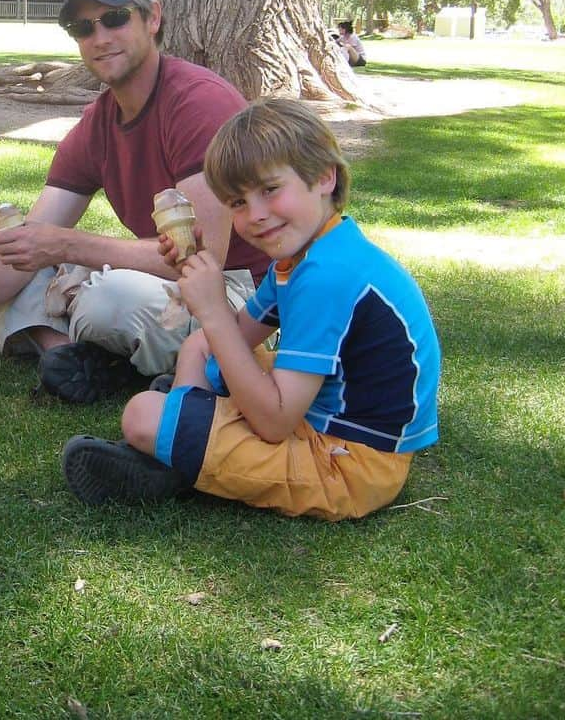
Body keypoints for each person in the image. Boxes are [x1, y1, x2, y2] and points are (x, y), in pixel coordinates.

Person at [62, 97, 441, 520]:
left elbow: (275, 422)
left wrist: (211, 311)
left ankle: (173, 452)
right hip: (315, 411)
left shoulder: (327, 275)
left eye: (270, 190)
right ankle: (184, 429)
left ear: (324, 177)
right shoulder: (305, 255)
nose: (255, 215)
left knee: (141, 417)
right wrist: (196, 266)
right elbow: (233, 339)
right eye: (238, 202)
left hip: (346, 464)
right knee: (199, 348)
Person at [0, 0, 269, 404]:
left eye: (115, 18)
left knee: (113, 298)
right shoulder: (97, 124)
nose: (100, 38)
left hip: (233, 290)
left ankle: (67, 333)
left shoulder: (197, 103)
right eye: (83, 28)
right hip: (163, 275)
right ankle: (62, 351)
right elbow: (29, 241)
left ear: (153, 17)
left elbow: (201, 259)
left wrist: (67, 248)